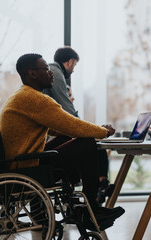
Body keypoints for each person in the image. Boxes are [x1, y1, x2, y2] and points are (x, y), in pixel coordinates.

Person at [0, 53, 124, 227]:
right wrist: (103, 131)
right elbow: (73, 125)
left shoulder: (23, 95)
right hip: (26, 170)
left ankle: (79, 203)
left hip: (18, 164)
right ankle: (91, 208)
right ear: (33, 74)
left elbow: (60, 129)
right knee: (87, 143)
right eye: (47, 69)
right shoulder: (35, 99)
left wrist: (86, 131)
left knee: (70, 137)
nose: (51, 73)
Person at [43, 47, 114, 204]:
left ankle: (96, 191)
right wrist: (95, 130)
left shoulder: (32, 94)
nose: (74, 70)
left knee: (88, 139)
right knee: (89, 142)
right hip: (39, 157)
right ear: (70, 62)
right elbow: (69, 114)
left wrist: (91, 130)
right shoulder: (55, 73)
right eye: (74, 65)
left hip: (42, 146)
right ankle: (92, 202)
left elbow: (65, 119)